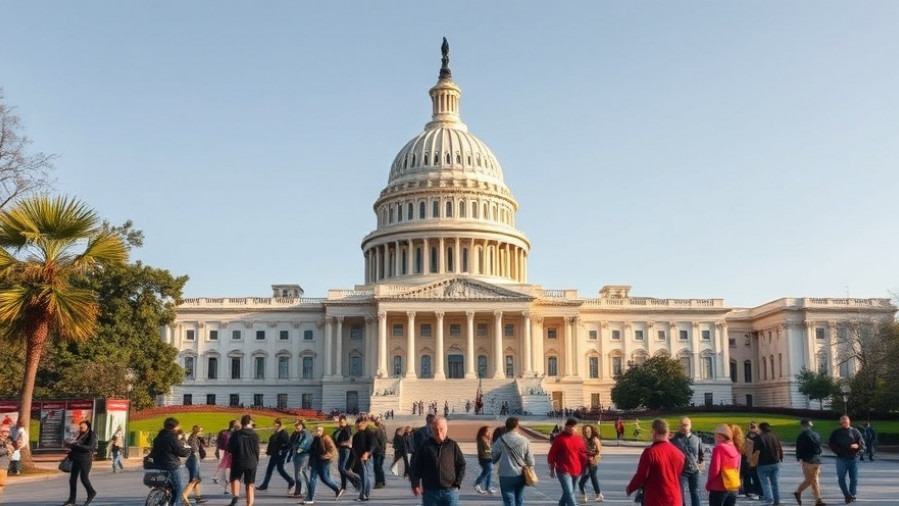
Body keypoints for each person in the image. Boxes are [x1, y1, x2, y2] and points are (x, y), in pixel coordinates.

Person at [625, 419, 684, 506]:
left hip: (656, 499)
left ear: (654, 431)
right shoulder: (679, 454)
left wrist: (630, 488)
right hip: (675, 498)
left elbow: (642, 475)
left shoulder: (650, 452)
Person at [410, 415, 466, 506]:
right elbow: (417, 467)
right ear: (432, 430)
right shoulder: (425, 446)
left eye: (441, 429)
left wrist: (458, 482)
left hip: (450, 492)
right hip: (430, 493)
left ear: (446, 429)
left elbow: (461, 464)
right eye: (435, 429)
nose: (439, 432)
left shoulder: (452, 445)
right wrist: (415, 483)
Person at [148, 417, 191, 506]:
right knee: (179, 487)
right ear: (174, 427)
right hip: (171, 466)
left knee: (167, 485)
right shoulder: (172, 438)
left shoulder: (159, 437)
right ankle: (176, 503)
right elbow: (180, 451)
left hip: (158, 464)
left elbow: (154, 451)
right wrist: (188, 450)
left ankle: (164, 496)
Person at [492, 416, 534, 506]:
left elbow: (493, 457)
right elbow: (530, 460)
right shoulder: (525, 440)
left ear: (506, 427)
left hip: (505, 473)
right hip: (520, 474)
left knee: (508, 500)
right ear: (517, 426)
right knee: (519, 499)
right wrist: (530, 469)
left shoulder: (501, 440)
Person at [548, 418, 588, 506]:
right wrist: (552, 468)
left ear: (576, 428)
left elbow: (583, 455)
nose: (572, 429)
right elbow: (552, 454)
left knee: (569, 491)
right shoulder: (560, 439)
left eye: (574, 427)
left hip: (576, 470)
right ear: (566, 427)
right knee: (570, 494)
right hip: (563, 470)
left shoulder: (579, 440)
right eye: (569, 427)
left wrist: (585, 466)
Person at [302, 425, 344, 504]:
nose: (318, 432)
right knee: (312, 479)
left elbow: (333, 450)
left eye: (320, 430)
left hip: (324, 461)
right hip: (315, 461)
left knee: (325, 478)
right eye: (317, 430)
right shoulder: (315, 439)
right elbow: (312, 451)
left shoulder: (326, 438)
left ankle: (337, 489)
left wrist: (327, 455)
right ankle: (310, 498)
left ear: (323, 431)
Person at [828, 415, 865, 504]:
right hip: (841, 459)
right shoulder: (836, 432)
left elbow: (863, 445)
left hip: (853, 459)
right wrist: (838, 451)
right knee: (841, 478)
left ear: (849, 421)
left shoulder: (855, 431)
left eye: (846, 421)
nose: (844, 422)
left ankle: (852, 495)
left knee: (854, 479)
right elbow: (831, 444)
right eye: (842, 421)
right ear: (840, 422)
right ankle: (847, 495)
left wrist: (858, 448)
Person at [62, 420, 98, 506]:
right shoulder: (80, 434)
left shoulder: (91, 435)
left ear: (87, 426)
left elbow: (90, 447)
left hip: (85, 459)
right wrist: (69, 445)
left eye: (82, 427)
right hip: (76, 458)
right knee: (72, 479)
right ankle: (71, 500)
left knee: (84, 478)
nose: (81, 428)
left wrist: (77, 445)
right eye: (80, 427)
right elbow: (75, 445)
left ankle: (91, 493)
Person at [228, 414, 261, 506]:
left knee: (235, 478)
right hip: (252, 461)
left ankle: (235, 495)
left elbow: (230, 448)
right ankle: (249, 503)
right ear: (249, 423)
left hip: (238, 460)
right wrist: (256, 460)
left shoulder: (236, 434)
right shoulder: (254, 435)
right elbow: (256, 449)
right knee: (250, 483)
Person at [670, 417, 704, 506]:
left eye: (685, 425)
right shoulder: (674, 440)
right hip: (681, 471)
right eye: (681, 425)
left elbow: (701, 454)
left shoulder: (696, 439)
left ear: (690, 426)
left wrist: (700, 464)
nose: (683, 427)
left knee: (695, 492)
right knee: (680, 492)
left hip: (694, 470)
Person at [705, 424, 740, 506]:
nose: (714, 436)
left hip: (718, 486)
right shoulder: (735, 448)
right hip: (733, 486)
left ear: (721, 436)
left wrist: (709, 483)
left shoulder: (719, 448)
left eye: (716, 434)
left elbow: (715, 470)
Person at [257, 418, 296, 493]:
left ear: (280, 425)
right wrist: (269, 451)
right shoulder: (276, 433)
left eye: (276, 425)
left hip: (280, 454)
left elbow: (288, 444)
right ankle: (290, 480)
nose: (274, 426)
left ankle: (265, 485)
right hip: (275, 453)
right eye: (274, 425)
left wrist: (282, 449)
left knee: (273, 469)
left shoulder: (283, 433)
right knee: (278, 469)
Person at [794, 418, 825, 506]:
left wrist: (799, 458)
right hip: (816, 459)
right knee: (813, 480)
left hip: (807, 460)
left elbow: (800, 449)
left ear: (803, 426)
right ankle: (817, 499)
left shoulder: (802, 436)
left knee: (811, 480)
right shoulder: (816, 434)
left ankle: (816, 499)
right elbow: (819, 447)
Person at [755, 422, 783, 506]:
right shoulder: (774, 436)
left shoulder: (759, 437)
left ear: (760, 429)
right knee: (775, 483)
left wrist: (753, 462)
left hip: (763, 463)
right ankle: (777, 500)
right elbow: (779, 448)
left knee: (765, 483)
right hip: (775, 462)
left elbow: (756, 452)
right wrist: (781, 457)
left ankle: (769, 499)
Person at [351, 416, 377, 501]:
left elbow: (373, 445)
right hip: (358, 458)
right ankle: (364, 494)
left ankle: (364, 495)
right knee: (363, 476)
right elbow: (354, 447)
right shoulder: (356, 435)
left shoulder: (369, 433)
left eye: (360, 424)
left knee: (366, 476)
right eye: (357, 424)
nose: (359, 426)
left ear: (365, 424)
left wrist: (368, 453)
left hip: (366, 458)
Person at [181, 425, 209, 505]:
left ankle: (198, 498)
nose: (202, 432)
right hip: (194, 459)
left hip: (192, 459)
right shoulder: (193, 438)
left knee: (196, 480)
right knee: (194, 479)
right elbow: (193, 449)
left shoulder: (193, 437)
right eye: (201, 431)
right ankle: (184, 495)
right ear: (198, 431)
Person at [578, 424, 604, 502]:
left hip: (592, 463)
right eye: (585, 432)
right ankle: (598, 494)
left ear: (591, 431)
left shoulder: (595, 440)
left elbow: (598, 452)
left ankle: (585, 496)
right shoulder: (582, 440)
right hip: (585, 462)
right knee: (593, 479)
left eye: (588, 431)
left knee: (583, 481)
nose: (587, 433)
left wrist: (594, 458)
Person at [332, 415, 358, 493]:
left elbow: (348, 441)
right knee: (340, 468)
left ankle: (356, 481)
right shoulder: (340, 429)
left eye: (342, 421)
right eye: (340, 421)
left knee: (343, 468)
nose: (341, 423)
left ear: (345, 421)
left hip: (346, 450)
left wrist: (340, 444)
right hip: (341, 450)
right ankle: (343, 486)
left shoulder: (347, 429)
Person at [288, 420, 312, 498]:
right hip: (300, 455)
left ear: (302, 425)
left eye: (298, 425)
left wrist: (298, 451)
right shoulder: (298, 433)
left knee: (298, 473)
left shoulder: (305, 433)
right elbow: (291, 442)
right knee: (304, 473)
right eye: (296, 425)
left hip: (303, 456)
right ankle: (309, 491)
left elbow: (304, 444)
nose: (297, 426)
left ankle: (298, 492)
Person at [214, 420, 239, 493]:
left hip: (226, 454)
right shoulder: (236, 433)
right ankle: (230, 488)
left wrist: (217, 450)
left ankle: (227, 487)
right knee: (230, 472)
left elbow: (218, 443)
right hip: (232, 455)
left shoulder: (223, 433)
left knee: (226, 472)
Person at [741, 422, 762, 499]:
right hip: (754, 461)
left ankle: (748, 491)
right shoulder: (759, 438)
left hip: (747, 460)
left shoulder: (746, 438)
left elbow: (744, 450)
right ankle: (758, 492)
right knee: (756, 478)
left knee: (747, 477)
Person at [473, 426, 494, 494]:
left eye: (489, 431)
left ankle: (488, 488)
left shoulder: (486, 439)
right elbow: (487, 449)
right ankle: (477, 483)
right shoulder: (482, 439)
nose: (489, 433)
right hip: (484, 458)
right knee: (487, 471)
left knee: (489, 472)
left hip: (488, 458)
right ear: (483, 432)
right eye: (487, 431)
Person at [372, 418, 388, 489]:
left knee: (377, 467)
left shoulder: (377, 431)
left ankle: (379, 482)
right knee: (379, 467)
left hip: (378, 452)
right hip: (382, 451)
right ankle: (382, 481)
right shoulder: (383, 431)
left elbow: (375, 442)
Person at [0, 423, 13, 499]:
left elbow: (11, 451)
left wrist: (11, 450)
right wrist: (6, 450)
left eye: (7, 432)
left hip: (4, 467)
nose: (6, 433)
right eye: (4, 431)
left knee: (1, 484)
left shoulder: (7, 441)